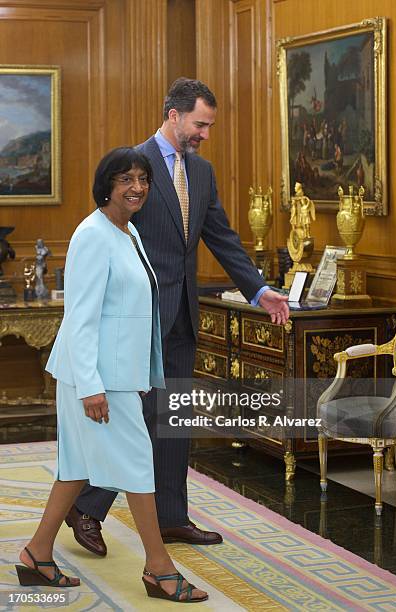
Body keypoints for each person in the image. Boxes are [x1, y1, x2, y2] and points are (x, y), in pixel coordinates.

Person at [68, 77, 289, 554]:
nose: (205, 133)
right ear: (173, 115)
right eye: (199, 124)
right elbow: (110, 234)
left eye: (208, 125)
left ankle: (171, 517)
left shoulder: (203, 173)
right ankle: (87, 506)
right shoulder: (134, 166)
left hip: (182, 318)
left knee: (172, 419)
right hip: (137, 319)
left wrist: (259, 290)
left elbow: (221, 237)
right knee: (135, 420)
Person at [15, 147, 208, 603]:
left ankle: (37, 554)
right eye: (126, 179)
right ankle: (159, 568)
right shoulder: (92, 235)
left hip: (118, 374)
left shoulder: (129, 233)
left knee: (78, 469)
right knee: (140, 465)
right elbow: (80, 318)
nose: (137, 187)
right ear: (107, 185)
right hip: (98, 378)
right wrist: (91, 386)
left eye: (142, 178)